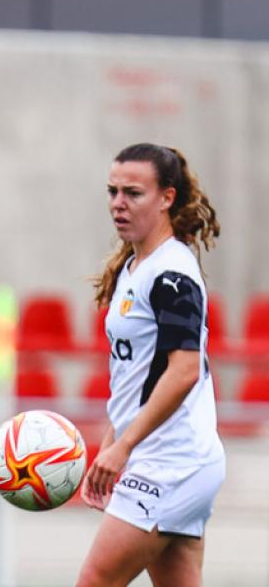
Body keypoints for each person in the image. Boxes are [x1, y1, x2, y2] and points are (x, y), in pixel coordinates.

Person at [78, 143, 224, 587]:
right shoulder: (134, 266)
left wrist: (123, 448)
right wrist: (112, 443)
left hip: (171, 462)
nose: (118, 204)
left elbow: (183, 371)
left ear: (167, 197)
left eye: (133, 193)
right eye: (112, 191)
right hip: (169, 460)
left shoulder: (171, 274)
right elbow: (136, 375)